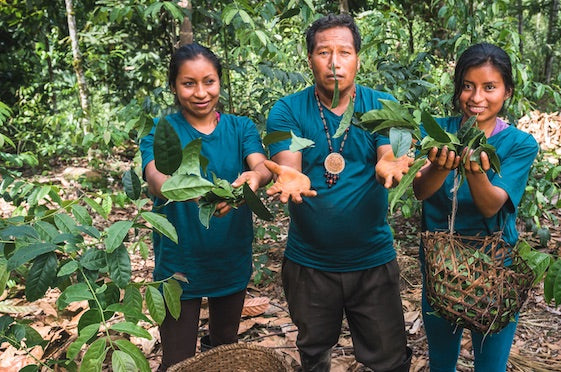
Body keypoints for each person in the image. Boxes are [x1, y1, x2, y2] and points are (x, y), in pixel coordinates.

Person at [264, 13, 413, 372]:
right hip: (309, 264)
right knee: (313, 354)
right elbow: (288, 162)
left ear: (358, 58)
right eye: (323, 52)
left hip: (373, 261)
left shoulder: (383, 104)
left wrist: (390, 161)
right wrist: (290, 175)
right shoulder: (287, 109)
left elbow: (392, 151)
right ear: (309, 58)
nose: (334, 63)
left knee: (389, 361)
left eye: (344, 52)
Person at [139, 43, 272, 371]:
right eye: (188, 83)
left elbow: (262, 167)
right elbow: (154, 177)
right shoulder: (162, 131)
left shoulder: (240, 128)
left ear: (219, 83)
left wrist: (251, 180)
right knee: (177, 360)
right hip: (178, 265)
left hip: (230, 258)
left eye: (209, 82)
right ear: (173, 86)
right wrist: (186, 189)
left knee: (225, 351)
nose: (201, 92)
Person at [412, 42, 539, 371]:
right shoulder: (435, 131)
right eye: (468, 86)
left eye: (489, 87)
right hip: (441, 269)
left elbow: (490, 206)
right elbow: (421, 190)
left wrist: (475, 171)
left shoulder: (519, 144)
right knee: (441, 362)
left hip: (494, 272)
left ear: (507, 91)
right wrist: (441, 166)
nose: (477, 97)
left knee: (491, 366)